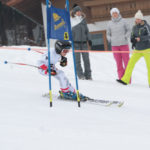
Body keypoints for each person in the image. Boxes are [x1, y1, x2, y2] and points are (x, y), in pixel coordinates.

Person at [117, 10, 150, 87]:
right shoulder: (134, 27)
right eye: (136, 19)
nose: (137, 20)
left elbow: (149, 36)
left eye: (138, 19)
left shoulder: (146, 26)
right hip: (137, 49)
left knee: (149, 66)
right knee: (130, 64)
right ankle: (125, 80)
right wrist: (133, 41)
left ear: (141, 19)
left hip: (147, 49)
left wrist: (140, 38)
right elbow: (132, 36)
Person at [107, 8, 131, 80]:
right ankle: (121, 78)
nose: (115, 14)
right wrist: (110, 39)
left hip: (124, 44)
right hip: (115, 46)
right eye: (113, 13)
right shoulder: (109, 23)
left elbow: (129, 30)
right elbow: (107, 33)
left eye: (116, 13)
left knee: (127, 63)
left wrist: (125, 37)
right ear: (111, 14)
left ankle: (127, 79)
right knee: (118, 63)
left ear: (118, 13)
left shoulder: (124, 21)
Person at [70, 4, 92, 80]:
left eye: (80, 11)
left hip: (84, 43)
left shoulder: (83, 20)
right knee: (77, 60)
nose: (79, 13)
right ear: (74, 12)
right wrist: (70, 41)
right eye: (77, 11)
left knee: (86, 60)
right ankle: (80, 75)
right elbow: (69, 32)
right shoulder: (71, 20)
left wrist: (89, 39)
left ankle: (88, 75)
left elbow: (87, 30)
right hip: (75, 43)